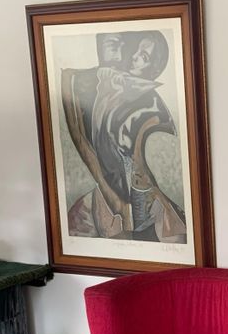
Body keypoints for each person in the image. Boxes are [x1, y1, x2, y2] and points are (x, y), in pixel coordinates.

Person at [61, 30, 187, 243]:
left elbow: (145, 161)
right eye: (136, 50)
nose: (134, 57)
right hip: (110, 191)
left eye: (144, 57)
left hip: (138, 195)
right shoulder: (104, 82)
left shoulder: (152, 105)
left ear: (152, 69)